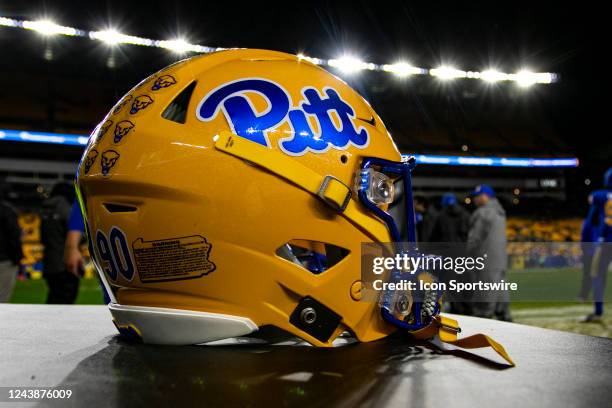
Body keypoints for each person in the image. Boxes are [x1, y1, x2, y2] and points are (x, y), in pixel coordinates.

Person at [467, 184, 511, 321]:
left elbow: (475, 239)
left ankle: (483, 321)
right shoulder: (500, 211)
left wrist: (468, 255)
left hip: (486, 259)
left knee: (484, 297)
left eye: (477, 196)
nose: (475, 200)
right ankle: (506, 318)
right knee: (500, 292)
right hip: (500, 259)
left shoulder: (483, 212)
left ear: (485, 196)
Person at [41, 182, 78, 304]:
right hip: (64, 262)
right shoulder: (66, 208)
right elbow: (74, 231)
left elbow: (42, 238)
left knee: (53, 297)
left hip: (48, 262)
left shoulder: (45, 209)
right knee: (66, 300)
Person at [583, 167, 612, 323]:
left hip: (606, 242)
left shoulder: (599, 195)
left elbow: (592, 217)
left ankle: (599, 311)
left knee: (597, 275)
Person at [0, 178, 23, 302]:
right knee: (2, 302)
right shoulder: (7, 210)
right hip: (4, 261)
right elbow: (14, 236)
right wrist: (17, 258)